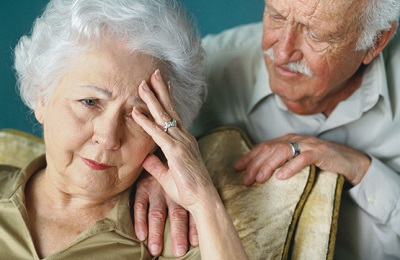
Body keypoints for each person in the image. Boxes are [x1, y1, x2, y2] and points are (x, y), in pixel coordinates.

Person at [133, 0, 400, 259]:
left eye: (316, 35)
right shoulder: (207, 70)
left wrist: (359, 168)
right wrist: (150, 164)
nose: (282, 52)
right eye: (276, 17)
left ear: (375, 42)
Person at [0, 0, 249, 259]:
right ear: (42, 98)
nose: (108, 138)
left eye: (138, 114)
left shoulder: (177, 237)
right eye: (90, 102)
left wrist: (202, 202)